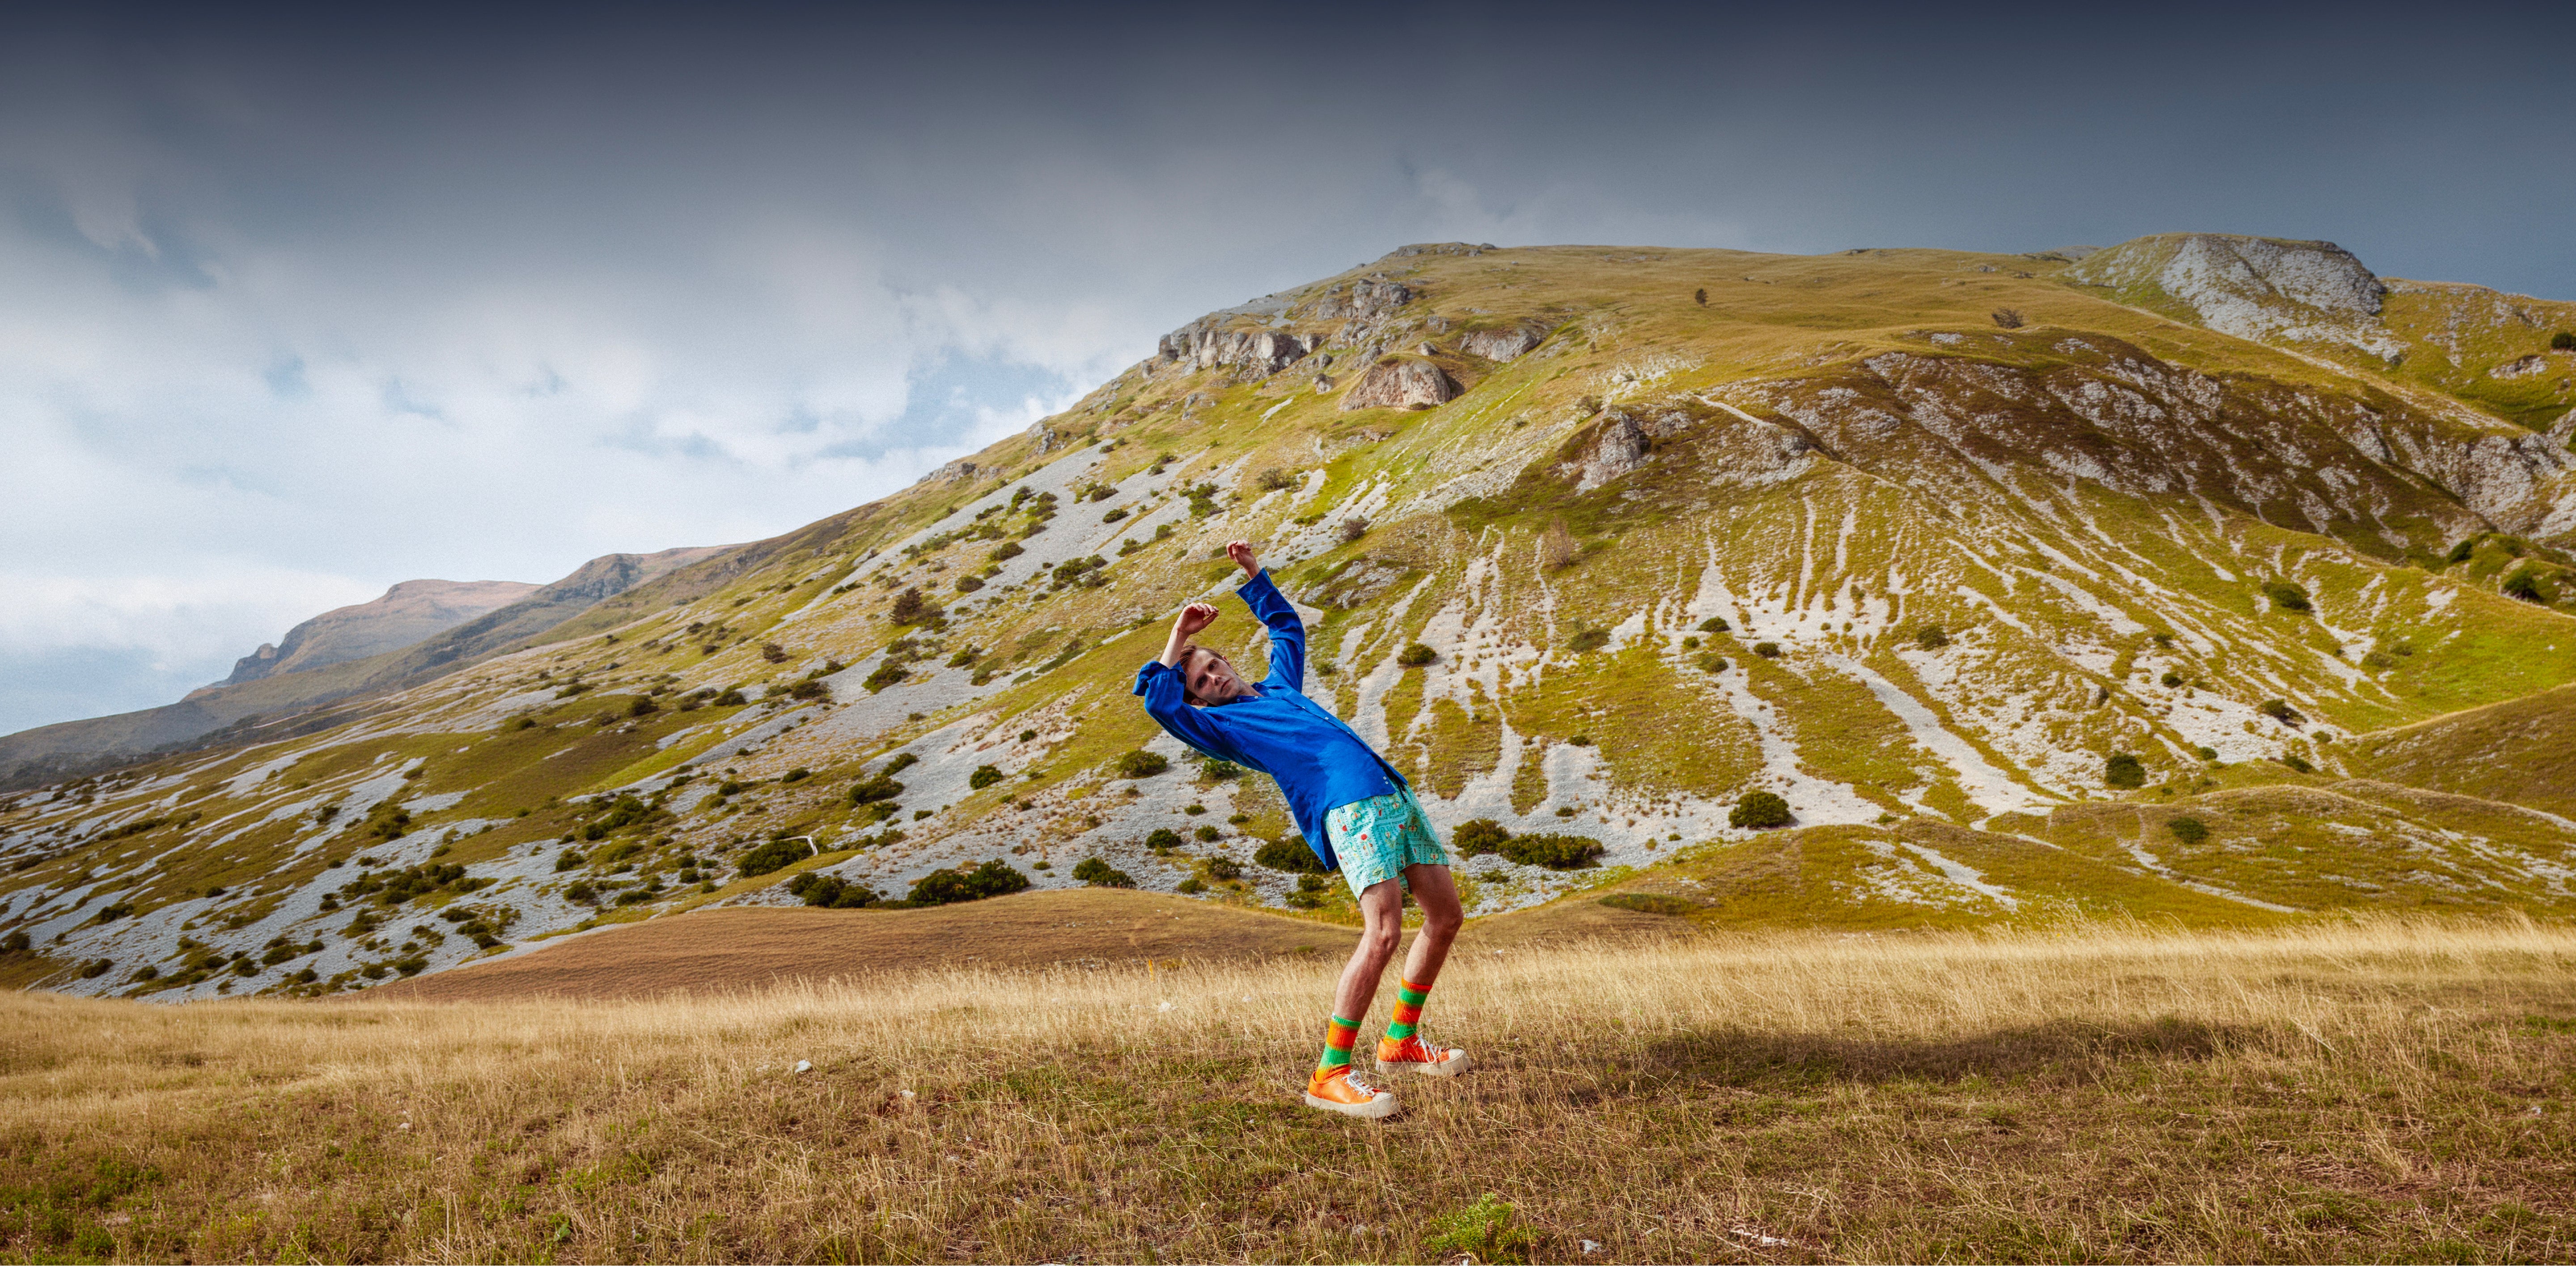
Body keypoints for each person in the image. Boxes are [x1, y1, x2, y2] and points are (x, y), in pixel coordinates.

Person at [1132, 539, 1469, 1120]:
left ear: (1228, 661)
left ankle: (1401, 1040)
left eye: (1213, 665)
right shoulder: (1222, 727)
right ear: (1199, 701)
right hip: (1350, 812)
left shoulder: (1280, 688)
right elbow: (1159, 706)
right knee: (1383, 933)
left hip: (1393, 795)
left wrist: (1253, 574)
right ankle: (1329, 1074)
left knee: (1445, 917)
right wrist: (1179, 636)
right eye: (1201, 682)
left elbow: (1287, 630)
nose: (1212, 678)